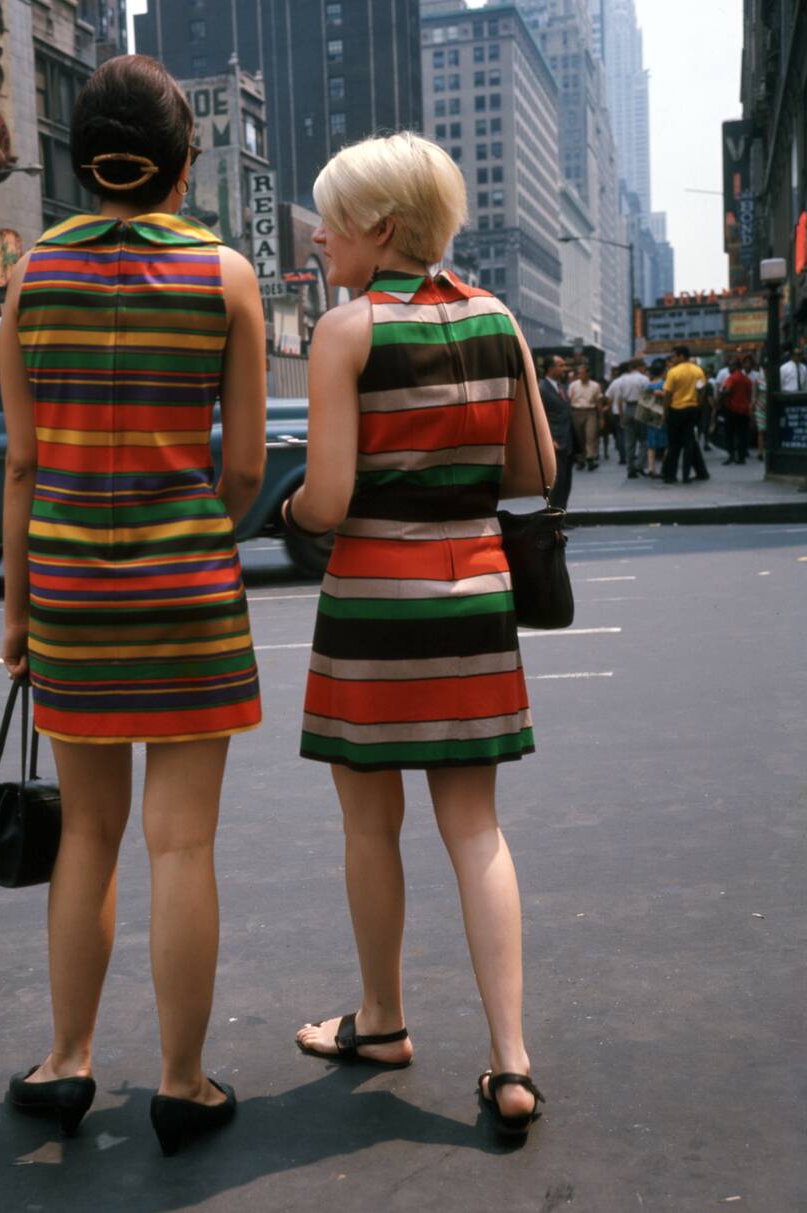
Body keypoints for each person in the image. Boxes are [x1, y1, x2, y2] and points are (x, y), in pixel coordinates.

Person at [0, 54, 266, 1156]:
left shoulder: (28, 277)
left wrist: (18, 614)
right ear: (183, 164)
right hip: (188, 588)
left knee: (88, 833)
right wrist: (194, 532)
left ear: (79, 159)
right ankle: (182, 1082)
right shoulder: (227, 277)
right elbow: (244, 469)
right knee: (182, 843)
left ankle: (66, 1060)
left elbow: (21, 463)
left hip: (66, 586)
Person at [284, 131, 553, 1143]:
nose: (318, 237)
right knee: (476, 830)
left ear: (381, 228)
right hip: (475, 595)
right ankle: (512, 1060)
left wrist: (292, 510)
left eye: (332, 221)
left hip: (373, 603)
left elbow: (327, 500)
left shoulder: (345, 332)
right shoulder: (497, 319)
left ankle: (384, 1019)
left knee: (370, 825)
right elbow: (533, 474)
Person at [658, 346, 709, 484]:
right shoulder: (698, 370)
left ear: (681, 356)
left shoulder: (673, 372)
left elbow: (668, 394)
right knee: (689, 442)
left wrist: (665, 412)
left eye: (674, 356)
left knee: (674, 444)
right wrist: (698, 404)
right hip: (692, 410)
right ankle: (688, 475)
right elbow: (702, 389)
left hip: (676, 410)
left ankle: (670, 475)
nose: (672, 359)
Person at [539, 354, 574, 509]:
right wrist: (549, 439)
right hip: (555, 442)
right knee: (557, 483)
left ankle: (561, 514)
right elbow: (540, 417)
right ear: (550, 369)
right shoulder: (541, 388)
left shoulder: (561, 387)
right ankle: (553, 517)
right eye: (561, 365)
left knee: (565, 482)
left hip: (567, 441)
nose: (565, 369)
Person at [606, 359, 650, 478]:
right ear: (640, 367)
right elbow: (648, 397)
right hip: (641, 406)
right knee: (645, 439)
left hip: (628, 408)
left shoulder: (623, 380)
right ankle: (639, 464)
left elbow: (619, 400)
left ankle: (630, 468)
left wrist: (621, 416)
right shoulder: (644, 379)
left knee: (630, 441)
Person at [719, 359, 753, 465]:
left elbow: (728, 390)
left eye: (730, 366)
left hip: (732, 409)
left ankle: (732, 455)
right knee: (742, 434)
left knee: (729, 433)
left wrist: (722, 394)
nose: (729, 368)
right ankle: (741, 457)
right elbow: (750, 394)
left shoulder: (732, 378)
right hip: (744, 411)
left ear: (736, 366)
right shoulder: (747, 379)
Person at [568, 363, 602, 470]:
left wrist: (601, 418)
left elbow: (598, 402)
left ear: (588, 374)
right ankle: (581, 459)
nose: (580, 376)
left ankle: (590, 458)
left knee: (590, 435)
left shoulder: (595, 386)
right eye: (579, 373)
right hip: (576, 412)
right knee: (579, 437)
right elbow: (569, 399)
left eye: (582, 373)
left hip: (590, 412)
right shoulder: (573, 385)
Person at [641, 362, 668, 478]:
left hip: (651, 415)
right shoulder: (665, 384)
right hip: (663, 415)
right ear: (663, 372)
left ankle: (651, 468)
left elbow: (644, 402)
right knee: (666, 443)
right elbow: (668, 399)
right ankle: (665, 468)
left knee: (651, 444)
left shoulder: (648, 385)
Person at [745, 355, 767, 461]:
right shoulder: (758, 380)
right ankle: (760, 452)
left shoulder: (774, 379)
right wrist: (752, 410)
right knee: (761, 431)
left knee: (769, 431)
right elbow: (754, 396)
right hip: (760, 408)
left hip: (771, 408)